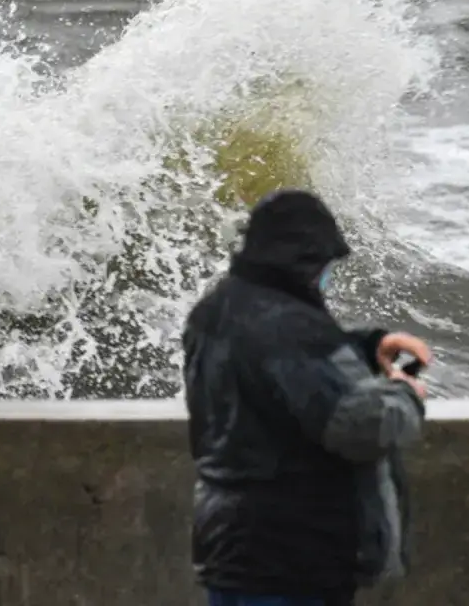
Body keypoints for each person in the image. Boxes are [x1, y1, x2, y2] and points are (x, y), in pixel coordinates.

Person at [181, 189, 431, 606]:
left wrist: (370, 346)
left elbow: (271, 369)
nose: (326, 276)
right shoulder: (290, 325)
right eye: (325, 266)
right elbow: (358, 426)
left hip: (227, 547)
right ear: (304, 262)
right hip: (292, 557)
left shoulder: (216, 309)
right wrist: (406, 396)